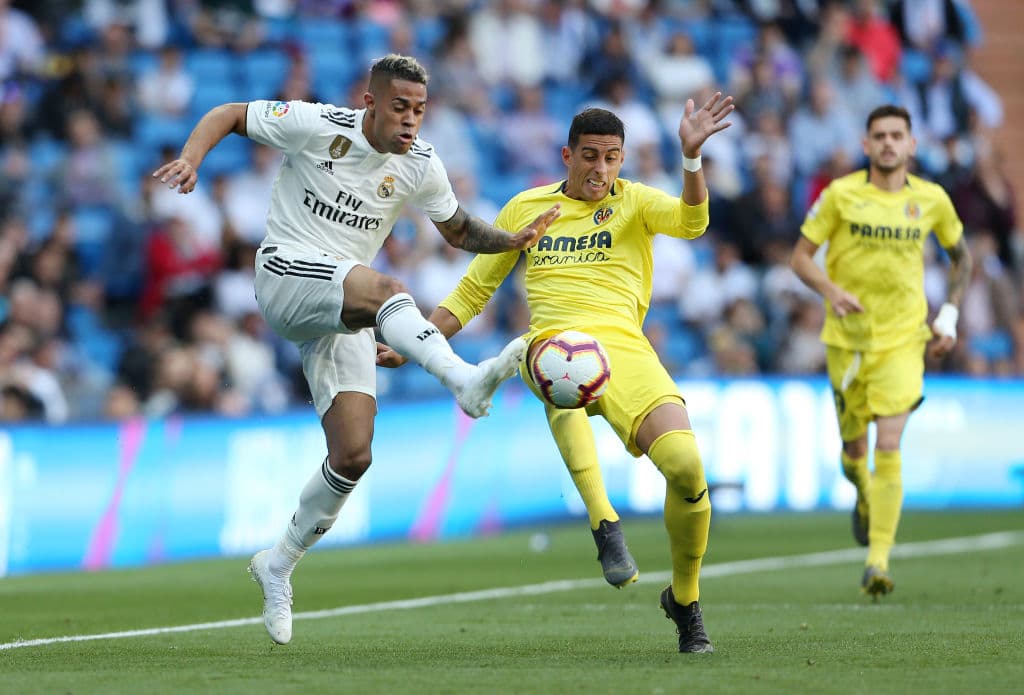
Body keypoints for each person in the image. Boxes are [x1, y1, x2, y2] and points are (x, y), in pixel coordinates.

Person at [152, 54, 560, 645]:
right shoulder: (316, 124)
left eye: (420, 110)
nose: (411, 121)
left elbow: (457, 230)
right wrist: (192, 160)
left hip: (341, 305)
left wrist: (511, 239)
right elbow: (230, 112)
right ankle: (463, 380)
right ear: (370, 103)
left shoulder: (421, 164)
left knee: (353, 455)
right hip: (286, 274)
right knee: (390, 288)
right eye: (400, 107)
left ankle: (279, 561)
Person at [379, 95, 734, 653]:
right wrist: (418, 342)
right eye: (590, 156)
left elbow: (693, 222)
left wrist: (690, 158)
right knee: (555, 365)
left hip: (626, 350)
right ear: (567, 155)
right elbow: (475, 290)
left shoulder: (636, 202)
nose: (601, 169)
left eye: (612, 158)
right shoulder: (526, 209)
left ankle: (685, 601)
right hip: (554, 339)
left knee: (687, 469)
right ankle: (604, 523)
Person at [790, 104, 972, 597]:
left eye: (897, 135)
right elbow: (800, 257)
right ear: (866, 145)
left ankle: (878, 559)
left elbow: (962, 257)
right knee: (854, 453)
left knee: (889, 444)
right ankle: (864, 494)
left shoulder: (932, 200)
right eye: (879, 136)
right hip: (847, 341)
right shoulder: (841, 195)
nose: (889, 143)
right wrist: (830, 290)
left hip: (903, 340)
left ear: (912, 145)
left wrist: (948, 316)